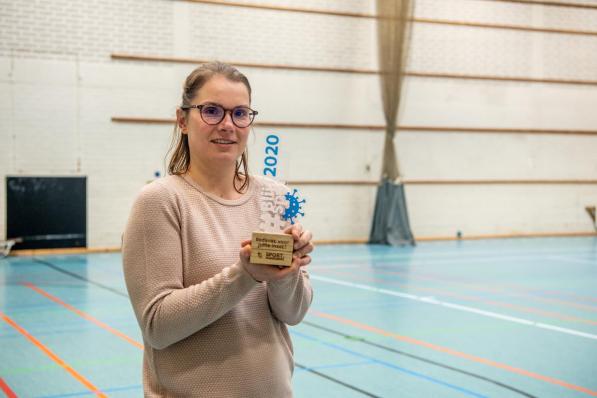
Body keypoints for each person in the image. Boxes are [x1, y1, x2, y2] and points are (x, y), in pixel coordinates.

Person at [122, 61, 314, 397]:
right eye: (212, 111)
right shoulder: (160, 201)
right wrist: (245, 275)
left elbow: (294, 313)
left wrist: (286, 274)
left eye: (240, 113)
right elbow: (157, 325)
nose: (227, 124)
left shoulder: (275, 197)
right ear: (183, 120)